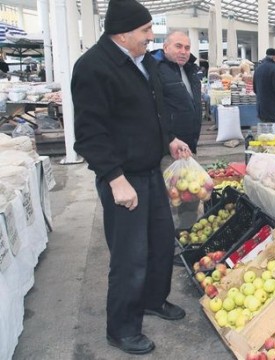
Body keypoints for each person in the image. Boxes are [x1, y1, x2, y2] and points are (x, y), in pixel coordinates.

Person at [71, 0, 189, 354]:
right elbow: (90, 133)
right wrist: (113, 177)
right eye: (145, 31)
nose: (151, 37)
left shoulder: (142, 63)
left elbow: (153, 110)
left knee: (161, 243)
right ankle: (121, 328)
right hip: (123, 177)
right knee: (130, 255)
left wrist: (168, 138)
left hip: (150, 170)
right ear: (122, 34)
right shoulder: (93, 67)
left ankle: (153, 299)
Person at [151, 31, 202, 229]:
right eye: (178, 46)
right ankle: (169, 240)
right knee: (171, 196)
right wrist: (169, 139)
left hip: (188, 146)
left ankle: (185, 235)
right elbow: (154, 109)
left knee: (190, 195)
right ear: (165, 47)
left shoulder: (189, 69)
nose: (183, 51)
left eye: (187, 48)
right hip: (169, 147)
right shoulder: (157, 69)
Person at [253, 48, 275, 123]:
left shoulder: (258, 68)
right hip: (274, 109)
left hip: (261, 108)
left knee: (265, 132)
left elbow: (255, 89)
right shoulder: (274, 68)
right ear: (274, 58)